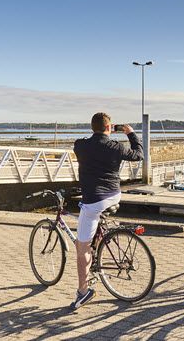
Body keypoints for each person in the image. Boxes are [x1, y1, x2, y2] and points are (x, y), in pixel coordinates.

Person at [71, 112, 143, 309]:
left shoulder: (81, 146)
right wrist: (131, 134)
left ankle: (82, 292)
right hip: (114, 195)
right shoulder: (116, 147)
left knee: (81, 247)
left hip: (94, 200)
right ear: (110, 128)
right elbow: (139, 155)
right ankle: (100, 245)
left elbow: (83, 146)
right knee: (94, 225)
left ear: (92, 127)